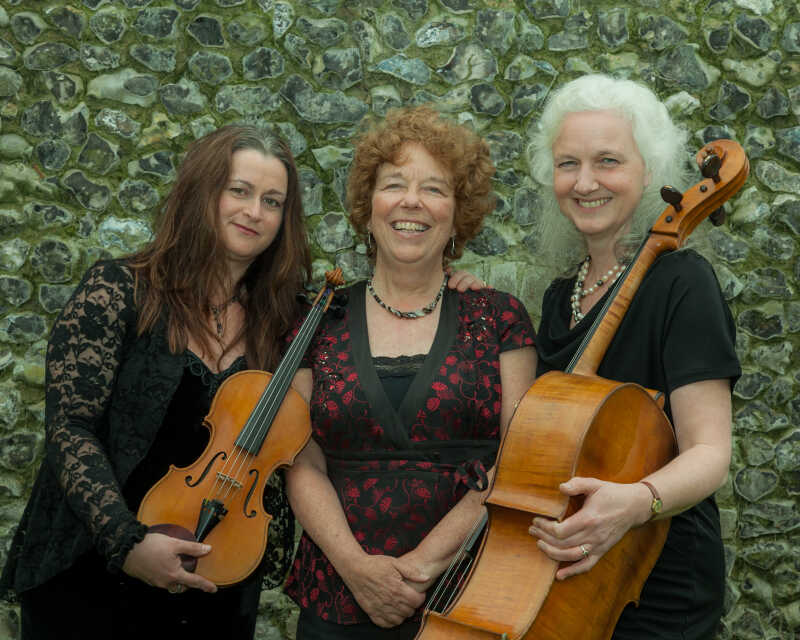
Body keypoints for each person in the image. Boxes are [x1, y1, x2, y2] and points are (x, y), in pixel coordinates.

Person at [0, 125, 312, 639]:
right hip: (93, 573)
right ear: (200, 192)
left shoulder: (282, 322)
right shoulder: (117, 290)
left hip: (213, 581)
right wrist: (127, 543)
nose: (254, 212)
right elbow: (70, 429)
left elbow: (375, 313)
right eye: (238, 190)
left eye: (272, 201)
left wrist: (448, 284)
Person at [283, 105, 538, 639]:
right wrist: (358, 569)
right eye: (394, 184)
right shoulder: (317, 320)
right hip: (337, 594)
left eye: (434, 189)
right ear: (368, 206)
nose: (412, 201)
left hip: (469, 595)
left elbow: (518, 462)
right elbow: (301, 460)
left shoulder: (499, 318)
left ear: (458, 214)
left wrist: (422, 566)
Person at [526, 74, 740, 638]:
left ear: (649, 172)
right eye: (568, 164)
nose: (585, 182)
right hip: (570, 576)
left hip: (655, 579)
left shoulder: (683, 282)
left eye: (608, 161)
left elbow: (710, 452)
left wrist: (636, 503)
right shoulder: (560, 297)